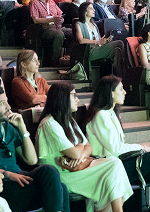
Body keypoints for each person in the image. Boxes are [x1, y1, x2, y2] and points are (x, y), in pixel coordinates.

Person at [85, 76, 150, 212]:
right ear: (110, 93)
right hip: (111, 167)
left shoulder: (110, 113)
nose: (125, 92)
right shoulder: (100, 115)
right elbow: (116, 148)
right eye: (121, 89)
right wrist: (141, 147)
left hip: (120, 163)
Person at [0, 86, 69, 212]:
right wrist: (8, 175)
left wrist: (22, 128)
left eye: (7, 101)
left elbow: (31, 160)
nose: (8, 107)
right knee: (61, 188)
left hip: (19, 178)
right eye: (2, 104)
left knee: (50, 172)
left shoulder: (9, 128)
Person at [36, 82, 132, 212]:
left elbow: (88, 146)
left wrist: (80, 151)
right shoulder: (49, 124)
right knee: (113, 167)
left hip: (77, 170)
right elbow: (76, 152)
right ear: (62, 98)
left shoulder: (69, 120)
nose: (77, 100)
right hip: (62, 176)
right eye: (74, 96)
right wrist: (80, 149)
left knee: (115, 164)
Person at [29, 0, 66, 67]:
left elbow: (60, 13)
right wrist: (51, 19)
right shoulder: (34, 2)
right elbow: (35, 20)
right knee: (59, 35)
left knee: (72, 32)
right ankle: (55, 60)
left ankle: (67, 58)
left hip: (57, 26)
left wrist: (60, 18)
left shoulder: (51, 2)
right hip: (44, 28)